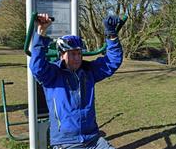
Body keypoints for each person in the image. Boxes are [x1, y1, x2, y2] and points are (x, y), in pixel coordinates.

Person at [30, 13, 125, 149]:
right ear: (62, 55)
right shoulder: (52, 75)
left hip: (92, 138)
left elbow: (112, 61)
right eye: (72, 54)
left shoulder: (88, 71)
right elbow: (37, 67)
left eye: (79, 53)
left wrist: (111, 34)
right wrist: (41, 32)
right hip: (66, 142)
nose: (77, 58)